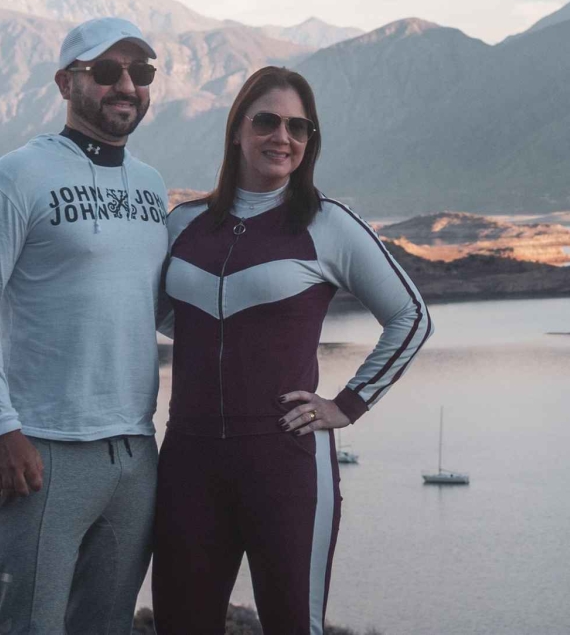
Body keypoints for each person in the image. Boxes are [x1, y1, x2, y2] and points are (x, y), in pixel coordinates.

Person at [152, 65, 432, 635]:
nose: (283, 137)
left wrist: (347, 405)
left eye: (299, 127)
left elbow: (411, 318)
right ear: (237, 130)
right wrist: (224, 343)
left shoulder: (328, 224)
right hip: (188, 461)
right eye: (267, 121)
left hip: (286, 462)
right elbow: (159, 311)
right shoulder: (183, 224)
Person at [0, 17, 171, 635]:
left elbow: (158, 308)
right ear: (66, 83)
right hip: (41, 450)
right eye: (107, 71)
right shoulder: (17, 177)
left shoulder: (151, 186)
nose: (127, 85)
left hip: (135, 453)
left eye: (140, 72)